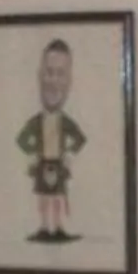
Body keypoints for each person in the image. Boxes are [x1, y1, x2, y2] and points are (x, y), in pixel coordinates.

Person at [16, 37, 86, 242]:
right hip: (42, 163)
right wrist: (31, 154)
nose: (53, 81)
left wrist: (70, 154)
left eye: (60, 74)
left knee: (58, 198)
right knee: (44, 199)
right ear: (39, 76)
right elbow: (21, 139)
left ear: (70, 80)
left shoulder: (67, 122)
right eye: (49, 73)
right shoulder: (35, 121)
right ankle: (45, 228)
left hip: (58, 163)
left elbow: (80, 139)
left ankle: (58, 228)